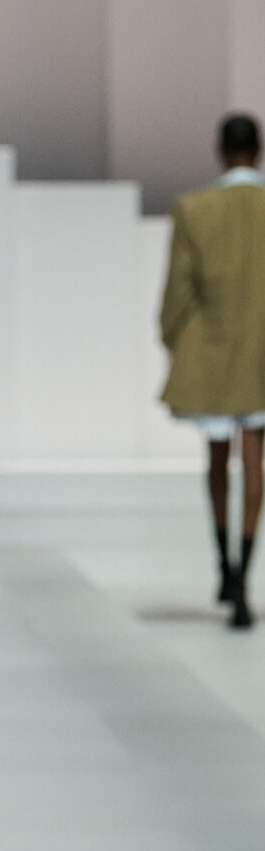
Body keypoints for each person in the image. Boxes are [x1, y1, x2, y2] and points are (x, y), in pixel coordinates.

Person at [160, 113, 265, 630]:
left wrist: (168, 334)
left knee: (218, 461)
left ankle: (223, 564)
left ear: (221, 150)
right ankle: (244, 574)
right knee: (255, 461)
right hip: (262, 353)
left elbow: (179, 289)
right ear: (259, 150)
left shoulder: (194, 210)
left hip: (212, 352)